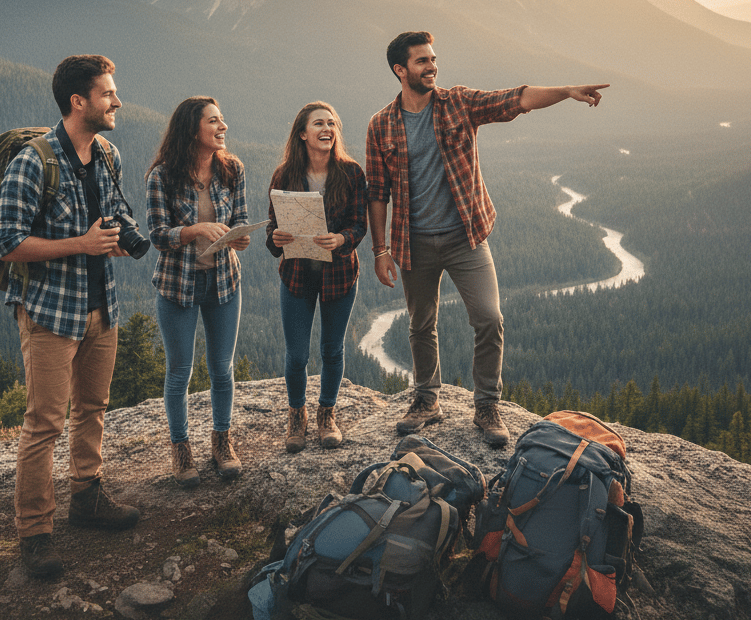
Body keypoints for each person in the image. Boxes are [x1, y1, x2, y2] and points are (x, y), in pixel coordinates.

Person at [366, 31, 609, 447]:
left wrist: (567, 91)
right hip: (414, 243)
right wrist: (380, 250)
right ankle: (426, 400)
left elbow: (516, 99)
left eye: (433, 58)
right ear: (400, 70)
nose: (433, 66)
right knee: (421, 324)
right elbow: (376, 192)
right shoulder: (382, 125)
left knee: (489, 318)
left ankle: (487, 405)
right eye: (423, 61)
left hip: (466, 237)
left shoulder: (458, 102)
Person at [0, 54, 141, 579]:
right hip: (50, 313)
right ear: (79, 101)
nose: (117, 101)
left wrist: (116, 244)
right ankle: (34, 533)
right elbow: (6, 241)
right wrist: (80, 244)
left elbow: (110, 222)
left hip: (102, 307)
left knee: (94, 408)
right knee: (45, 422)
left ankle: (87, 498)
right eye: (107, 94)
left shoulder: (107, 154)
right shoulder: (34, 161)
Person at [146, 97, 250, 487]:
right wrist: (192, 231)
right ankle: (181, 449)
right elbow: (157, 235)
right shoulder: (162, 176)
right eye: (214, 121)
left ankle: (222, 442)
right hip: (179, 285)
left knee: (222, 368)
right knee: (180, 372)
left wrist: (238, 237)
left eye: (222, 119)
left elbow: (239, 218)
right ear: (193, 129)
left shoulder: (232, 169)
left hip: (223, 280)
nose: (222, 126)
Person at [266, 101, 367, 453]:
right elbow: (272, 233)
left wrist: (341, 239)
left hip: (338, 274)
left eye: (332, 124)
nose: (327, 129)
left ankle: (327, 413)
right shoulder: (285, 176)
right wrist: (276, 238)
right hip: (296, 274)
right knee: (296, 355)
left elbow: (359, 225)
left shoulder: (352, 173)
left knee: (331, 349)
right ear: (302, 134)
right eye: (319, 124)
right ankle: (297, 416)